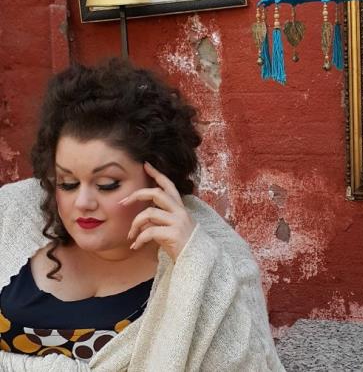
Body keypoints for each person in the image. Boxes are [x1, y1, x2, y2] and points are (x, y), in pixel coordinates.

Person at [0, 59, 285, 371]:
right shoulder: (13, 215)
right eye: (67, 183)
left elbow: (248, 365)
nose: (82, 202)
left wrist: (194, 260)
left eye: (107, 184)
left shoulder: (213, 256)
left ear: (157, 177)